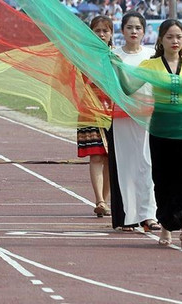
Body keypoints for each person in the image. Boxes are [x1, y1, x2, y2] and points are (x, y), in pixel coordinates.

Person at [137, 19, 182, 249]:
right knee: (162, 179)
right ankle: (165, 226)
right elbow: (127, 86)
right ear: (160, 39)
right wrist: (113, 66)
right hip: (161, 128)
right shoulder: (150, 65)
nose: (175, 41)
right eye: (170, 37)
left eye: (179, 37)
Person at [109, 12, 159, 233]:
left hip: (149, 116)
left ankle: (149, 215)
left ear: (144, 31)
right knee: (126, 166)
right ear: (122, 31)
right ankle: (129, 215)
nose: (134, 32)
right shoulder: (113, 55)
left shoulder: (152, 56)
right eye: (129, 27)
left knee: (147, 164)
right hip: (122, 117)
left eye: (138, 28)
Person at [78, 15, 112, 219]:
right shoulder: (82, 56)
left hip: (113, 112)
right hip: (89, 111)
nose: (101, 34)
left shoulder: (116, 57)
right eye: (97, 30)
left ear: (111, 35)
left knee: (110, 158)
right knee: (97, 155)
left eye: (105, 31)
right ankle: (99, 200)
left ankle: (105, 201)